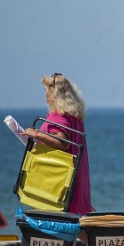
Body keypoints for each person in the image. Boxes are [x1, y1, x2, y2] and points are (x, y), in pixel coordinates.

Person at [22, 73, 93, 216]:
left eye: (46, 90)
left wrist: (35, 134)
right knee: (76, 222)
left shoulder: (58, 116)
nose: (45, 94)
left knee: (60, 223)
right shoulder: (74, 115)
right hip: (77, 175)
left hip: (61, 179)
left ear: (54, 93)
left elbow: (62, 142)